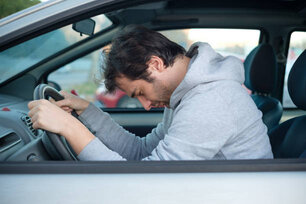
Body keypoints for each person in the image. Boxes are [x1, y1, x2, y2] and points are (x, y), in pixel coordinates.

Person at [28, 25, 273, 160]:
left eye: (140, 92)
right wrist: (87, 111)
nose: (146, 105)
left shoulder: (211, 102)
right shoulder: (185, 96)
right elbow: (141, 152)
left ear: (155, 64)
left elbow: (143, 182)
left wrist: (70, 128)